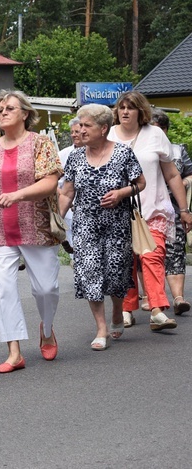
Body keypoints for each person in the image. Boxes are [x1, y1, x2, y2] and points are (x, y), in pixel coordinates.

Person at [0, 90, 62, 373]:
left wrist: (18, 195)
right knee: (3, 289)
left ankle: (46, 329)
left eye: (10, 108)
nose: (3, 112)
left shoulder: (41, 144)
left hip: (37, 227)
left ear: (25, 113)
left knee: (46, 288)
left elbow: (50, 182)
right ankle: (14, 352)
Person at [59, 104, 146, 350]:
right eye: (80, 125)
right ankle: (101, 328)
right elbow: (67, 193)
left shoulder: (123, 153)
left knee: (117, 273)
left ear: (103, 128)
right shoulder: (75, 157)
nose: (81, 130)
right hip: (86, 224)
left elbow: (140, 183)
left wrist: (121, 193)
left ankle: (118, 311)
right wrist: (57, 221)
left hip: (117, 224)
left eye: (87, 125)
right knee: (89, 273)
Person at [107, 91, 191, 331]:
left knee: (152, 256)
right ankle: (126, 308)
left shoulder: (155, 134)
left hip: (153, 208)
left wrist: (184, 209)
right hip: (119, 211)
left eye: (130, 108)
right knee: (125, 262)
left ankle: (156, 309)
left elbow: (172, 174)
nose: (125, 112)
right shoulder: (109, 134)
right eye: (121, 107)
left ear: (140, 111)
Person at [151, 109, 192, 316]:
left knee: (176, 250)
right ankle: (151, 298)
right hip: (147, 208)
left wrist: (184, 181)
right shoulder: (137, 148)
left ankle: (178, 298)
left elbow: (190, 173)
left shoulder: (177, 150)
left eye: (157, 128)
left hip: (173, 208)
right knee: (149, 252)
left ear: (165, 130)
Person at [58, 118, 83, 253]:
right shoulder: (63, 155)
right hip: (69, 210)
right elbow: (52, 182)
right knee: (76, 252)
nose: (73, 135)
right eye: (72, 132)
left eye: (77, 131)